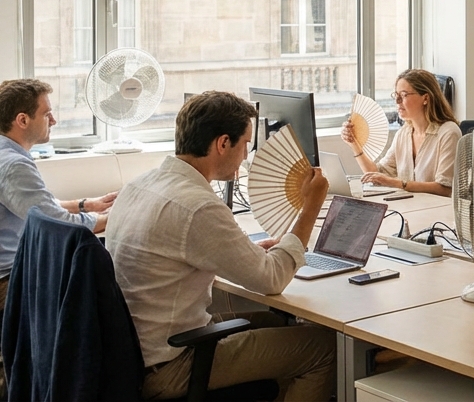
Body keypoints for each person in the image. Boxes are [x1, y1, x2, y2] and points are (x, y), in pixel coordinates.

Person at [106, 91, 335, 400]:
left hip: (134, 357)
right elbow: (272, 280)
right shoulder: (198, 206)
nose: (245, 155)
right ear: (223, 143)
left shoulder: (139, 185)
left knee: (274, 321)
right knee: (322, 347)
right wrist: (311, 206)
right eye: (245, 145)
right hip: (172, 364)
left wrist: (246, 253)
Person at [0, 79, 118, 303]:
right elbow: (56, 224)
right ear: (22, 120)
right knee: (100, 276)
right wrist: (113, 218)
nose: (53, 120)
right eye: (47, 114)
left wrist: (85, 205)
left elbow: (37, 206)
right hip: (8, 280)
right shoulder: (14, 165)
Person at [342, 69, 456, 195]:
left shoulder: (448, 133)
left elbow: (445, 188)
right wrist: (354, 144)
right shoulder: (404, 133)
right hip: (409, 204)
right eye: (396, 95)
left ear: (425, 98)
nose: (397, 101)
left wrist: (398, 183)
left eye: (404, 95)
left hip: (436, 206)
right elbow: (377, 174)